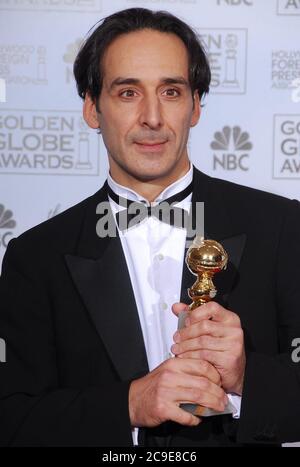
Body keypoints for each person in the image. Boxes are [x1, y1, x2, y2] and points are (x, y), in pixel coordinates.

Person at [0, 7, 300, 447]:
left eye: (172, 91)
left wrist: (246, 378)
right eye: (127, 93)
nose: (153, 118)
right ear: (91, 108)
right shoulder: (35, 257)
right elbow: (11, 417)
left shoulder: (282, 227)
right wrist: (128, 405)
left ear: (196, 106)